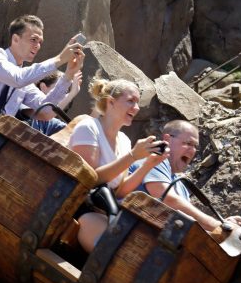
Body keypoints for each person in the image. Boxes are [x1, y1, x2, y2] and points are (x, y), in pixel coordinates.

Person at [68, 77, 171, 253]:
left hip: (107, 210)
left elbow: (120, 191)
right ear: (111, 102)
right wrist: (132, 156)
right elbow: (89, 180)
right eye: (131, 101)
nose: (136, 108)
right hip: (79, 208)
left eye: (137, 103)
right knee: (116, 252)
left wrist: (148, 164)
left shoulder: (124, 140)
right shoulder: (89, 127)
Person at [129, 120, 241, 236]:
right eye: (188, 143)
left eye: (195, 146)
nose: (193, 151)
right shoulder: (153, 161)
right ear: (167, 139)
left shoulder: (181, 186)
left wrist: (223, 228)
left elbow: (188, 225)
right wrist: (218, 226)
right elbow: (169, 200)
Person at [0, 15, 83, 125]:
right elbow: (18, 78)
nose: (37, 45)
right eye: (33, 40)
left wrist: (68, 76)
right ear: (15, 39)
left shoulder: (25, 82)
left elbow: (46, 112)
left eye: (40, 42)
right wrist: (59, 59)